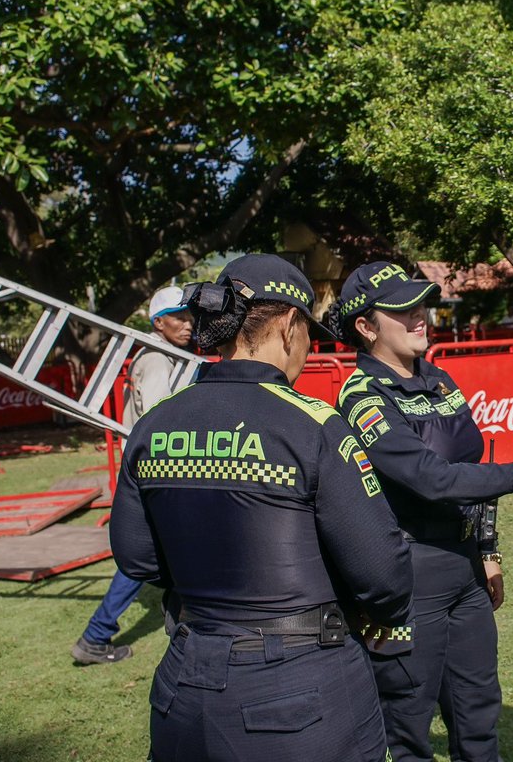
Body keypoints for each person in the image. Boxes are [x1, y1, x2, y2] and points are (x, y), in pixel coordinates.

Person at [110, 254, 414, 761]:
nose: (309, 350)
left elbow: (137, 559)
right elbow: (385, 577)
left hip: (185, 686)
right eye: (310, 337)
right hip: (301, 696)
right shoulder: (315, 423)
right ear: (290, 325)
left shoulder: (155, 423)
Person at [325, 261, 513, 762]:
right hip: (407, 578)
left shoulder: (440, 379)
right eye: (402, 310)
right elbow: (433, 478)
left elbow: (474, 467)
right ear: (365, 327)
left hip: (466, 573)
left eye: (421, 306)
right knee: (408, 732)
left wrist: (487, 548)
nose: (419, 317)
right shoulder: (361, 395)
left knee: (479, 720)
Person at [71, 285, 194, 665]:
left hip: (153, 470)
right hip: (157, 471)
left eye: (190, 316)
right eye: (180, 317)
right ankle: (95, 635)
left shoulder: (167, 355)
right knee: (152, 551)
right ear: (159, 323)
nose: (188, 324)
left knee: (166, 548)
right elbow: (162, 422)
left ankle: (100, 634)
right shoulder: (157, 359)